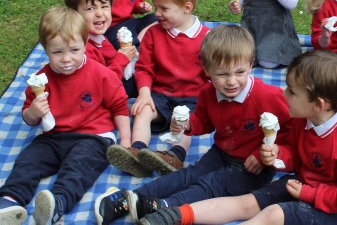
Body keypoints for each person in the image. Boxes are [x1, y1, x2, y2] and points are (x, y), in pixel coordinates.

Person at [135, 50, 337, 225]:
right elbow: (294, 154)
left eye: (292, 92)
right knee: (248, 202)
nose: (284, 94)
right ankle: (176, 215)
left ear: (319, 104)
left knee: (273, 215)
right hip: (302, 185)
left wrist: (309, 194)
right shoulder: (304, 120)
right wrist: (278, 155)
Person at [94, 24, 293, 225]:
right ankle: (131, 198)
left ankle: (162, 207)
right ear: (207, 70)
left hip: (253, 167)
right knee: (188, 175)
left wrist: (264, 154)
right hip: (222, 152)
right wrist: (187, 125)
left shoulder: (267, 96)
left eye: (239, 72)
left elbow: (292, 128)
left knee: (211, 184)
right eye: (223, 74)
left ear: (251, 65)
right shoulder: (208, 93)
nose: (232, 81)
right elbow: (204, 121)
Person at [0, 7, 130, 225]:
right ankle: (9, 200)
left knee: (79, 166)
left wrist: (125, 140)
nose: (66, 59)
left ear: (85, 43)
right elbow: (29, 119)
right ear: (45, 49)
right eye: (57, 52)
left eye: (74, 50)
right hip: (53, 136)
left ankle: (57, 204)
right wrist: (33, 112)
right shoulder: (40, 79)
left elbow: (119, 106)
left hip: (93, 136)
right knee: (28, 160)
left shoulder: (100, 73)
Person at [105, 0, 211, 178]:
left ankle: (175, 156)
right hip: (160, 94)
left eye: (163, 8)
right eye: (155, 6)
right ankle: (136, 152)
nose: (157, 13)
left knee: (186, 121)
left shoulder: (207, 38)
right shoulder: (154, 33)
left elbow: (213, 73)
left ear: (186, 7)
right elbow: (144, 68)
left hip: (192, 98)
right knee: (143, 111)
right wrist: (144, 93)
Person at [63, 0, 139, 97]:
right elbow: (102, 82)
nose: (99, 13)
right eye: (90, 8)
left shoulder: (100, 39)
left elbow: (111, 60)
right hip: (98, 93)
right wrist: (122, 59)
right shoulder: (83, 49)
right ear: (74, 14)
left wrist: (129, 56)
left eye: (104, 6)